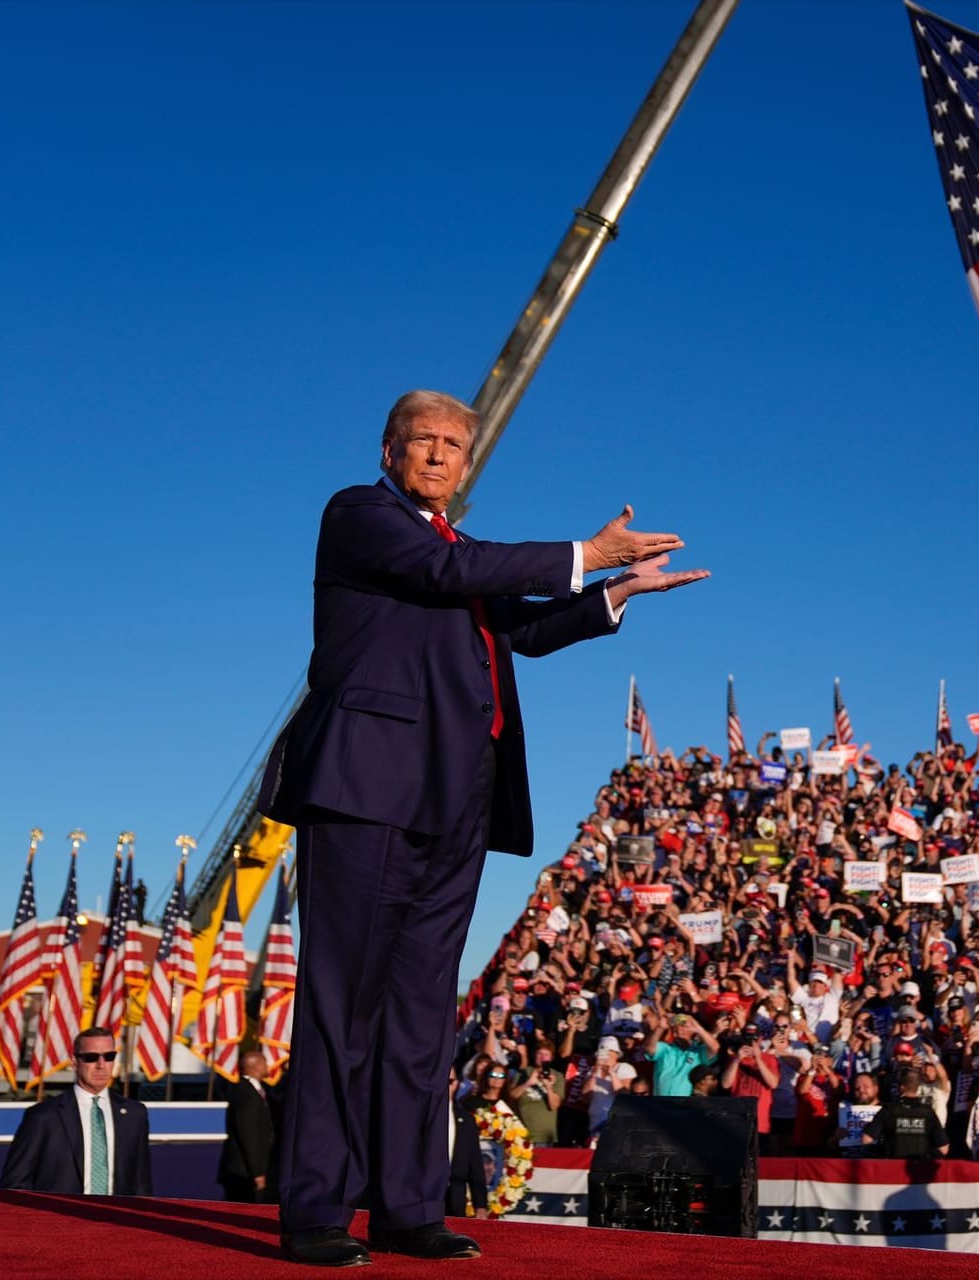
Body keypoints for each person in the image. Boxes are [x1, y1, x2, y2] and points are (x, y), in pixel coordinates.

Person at [261, 389, 706, 1266]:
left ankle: (407, 1209)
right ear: (389, 452)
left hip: (459, 803)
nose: (436, 454)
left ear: (468, 466)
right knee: (340, 1010)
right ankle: (316, 1212)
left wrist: (608, 593)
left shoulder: (465, 554)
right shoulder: (360, 516)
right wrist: (581, 551)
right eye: (420, 440)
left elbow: (519, 628)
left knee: (424, 1018)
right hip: (367, 793)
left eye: (453, 446)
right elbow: (452, 578)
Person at [0, 1026, 151, 1196]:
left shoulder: (135, 1114)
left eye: (108, 1056)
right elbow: (15, 1183)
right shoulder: (43, 1116)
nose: (101, 1065)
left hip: (114, 1219)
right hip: (59, 1219)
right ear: (74, 1061)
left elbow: (141, 1182)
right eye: (91, 1058)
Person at [219, 1049, 277, 1202]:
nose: (268, 1066)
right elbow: (248, 1135)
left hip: (247, 1171)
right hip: (243, 1172)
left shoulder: (252, 1090)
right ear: (256, 1066)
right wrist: (257, 1173)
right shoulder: (246, 1093)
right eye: (264, 1062)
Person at [863, 1066, 947, 1159]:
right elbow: (943, 1148)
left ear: (901, 1087)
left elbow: (866, 1139)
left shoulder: (889, 1109)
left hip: (892, 1168)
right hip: (918, 1170)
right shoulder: (928, 1112)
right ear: (918, 1086)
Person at [446, 1069, 488, 1219]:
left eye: (449, 1082)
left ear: (456, 1084)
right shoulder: (418, 1118)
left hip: (455, 1197)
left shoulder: (466, 1120)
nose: (445, 1087)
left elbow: (475, 1163)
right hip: (422, 1197)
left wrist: (481, 1206)